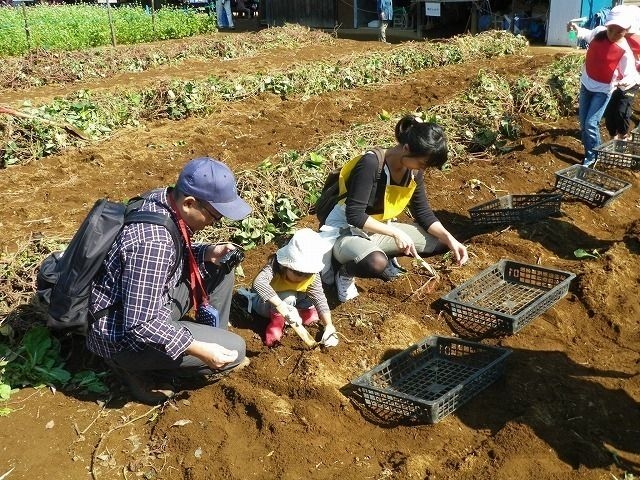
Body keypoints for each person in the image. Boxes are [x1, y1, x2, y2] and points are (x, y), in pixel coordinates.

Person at [87, 157, 251, 404]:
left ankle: (214, 344)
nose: (214, 223)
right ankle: (132, 368)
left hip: (140, 303)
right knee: (237, 350)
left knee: (220, 267)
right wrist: (199, 349)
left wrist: (205, 253)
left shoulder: (162, 199)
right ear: (189, 203)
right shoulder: (155, 243)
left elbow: (171, 257)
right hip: (121, 337)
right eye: (215, 216)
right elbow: (141, 324)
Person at [322, 115, 469, 303]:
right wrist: (395, 233)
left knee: (438, 241)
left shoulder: (414, 172)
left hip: (378, 229)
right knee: (376, 262)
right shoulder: (371, 164)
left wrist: (450, 239)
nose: (424, 169)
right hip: (345, 232)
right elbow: (355, 215)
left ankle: (386, 252)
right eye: (423, 163)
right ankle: (345, 273)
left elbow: (423, 212)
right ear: (406, 149)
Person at [568, 8, 638, 166]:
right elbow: (585, 34)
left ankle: (594, 157)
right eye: (610, 29)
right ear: (606, 26)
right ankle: (590, 153)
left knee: (590, 124)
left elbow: (627, 76)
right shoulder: (599, 32)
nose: (612, 34)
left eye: (619, 31)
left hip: (602, 91)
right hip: (586, 85)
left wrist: (618, 82)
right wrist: (574, 28)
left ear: (626, 31)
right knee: (583, 123)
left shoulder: (624, 52)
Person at [250, 228, 338, 348]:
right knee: (289, 297)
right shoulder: (275, 266)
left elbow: (319, 298)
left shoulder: (313, 275)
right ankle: (276, 325)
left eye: (307, 274)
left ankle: (303, 312)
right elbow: (259, 283)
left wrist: (329, 326)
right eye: (297, 272)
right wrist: (282, 307)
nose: (302, 277)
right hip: (264, 304)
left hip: (292, 302)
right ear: (287, 265)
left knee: (310, 295)